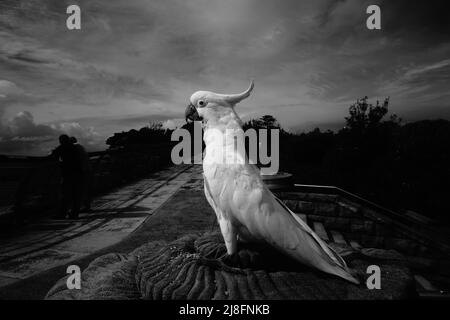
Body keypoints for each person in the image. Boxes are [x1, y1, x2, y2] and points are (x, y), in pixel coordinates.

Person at [50, 135, 89, 219]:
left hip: (68, 174)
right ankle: (74, 213)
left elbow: (54, 155)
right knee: (77, 195)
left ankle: (62, 214)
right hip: (79, 174)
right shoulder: (77, 148)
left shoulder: (62, 148)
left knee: (65, 195)